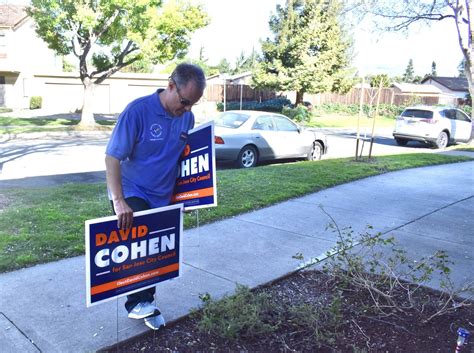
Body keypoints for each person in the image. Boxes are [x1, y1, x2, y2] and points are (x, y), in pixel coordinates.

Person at [105, 63, 206, 330]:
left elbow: (183, 159)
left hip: (163, 195)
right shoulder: (137, 111)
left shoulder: (187, 117)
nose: (187, 109)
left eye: (193, 104)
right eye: (185, 102)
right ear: (171, 85)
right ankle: (136, 303)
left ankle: (145, 302)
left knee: (158, 252)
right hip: (132, 190)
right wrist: (118, 201)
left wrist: (190, 196)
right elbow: (112, 156)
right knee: (140, 241)